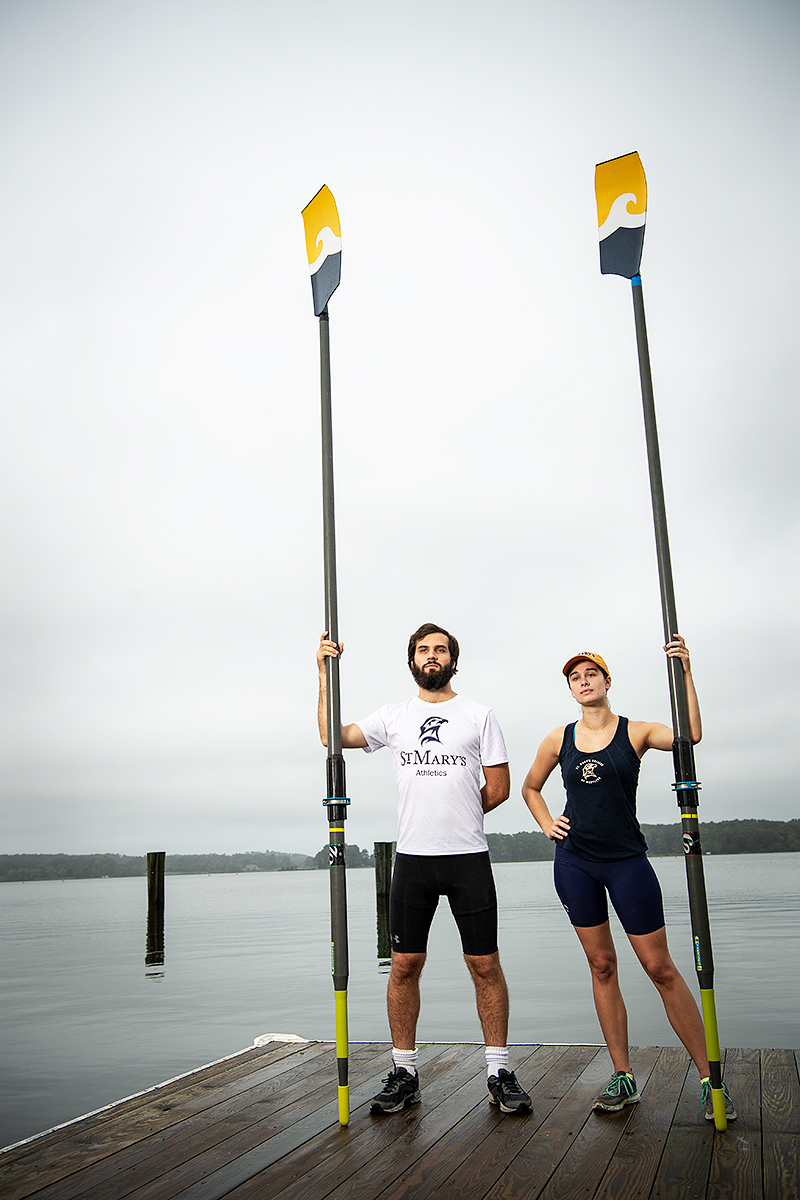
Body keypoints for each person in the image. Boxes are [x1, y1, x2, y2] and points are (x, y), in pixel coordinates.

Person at [317, 622, 532, 1116]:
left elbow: (498, 788)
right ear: (412, 661)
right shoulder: (394, 717)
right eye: (423, 650)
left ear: (454, 660)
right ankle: (405, 1072)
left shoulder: (479, 716)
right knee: (404, 967)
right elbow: (332, 736)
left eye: (440, 650)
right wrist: (324, 674)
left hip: (468, 859)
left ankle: (499, 1070)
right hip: (411, 860)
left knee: (485, 965)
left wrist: (457, 817)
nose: (431, 656)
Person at [521, 636, 736, 1123]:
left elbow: (690, 736)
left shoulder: (636, 731)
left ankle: (710, 1079)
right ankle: (623, 1075)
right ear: (571, 689)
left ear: (606, 681)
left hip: (626, 864)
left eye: (590, 673)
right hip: (574, 863)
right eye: (574, 677)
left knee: (659, 967)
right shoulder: (558, 739)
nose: (583, 680)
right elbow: (530, 787)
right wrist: (545, 822)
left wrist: (684, 672)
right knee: (601, 966)